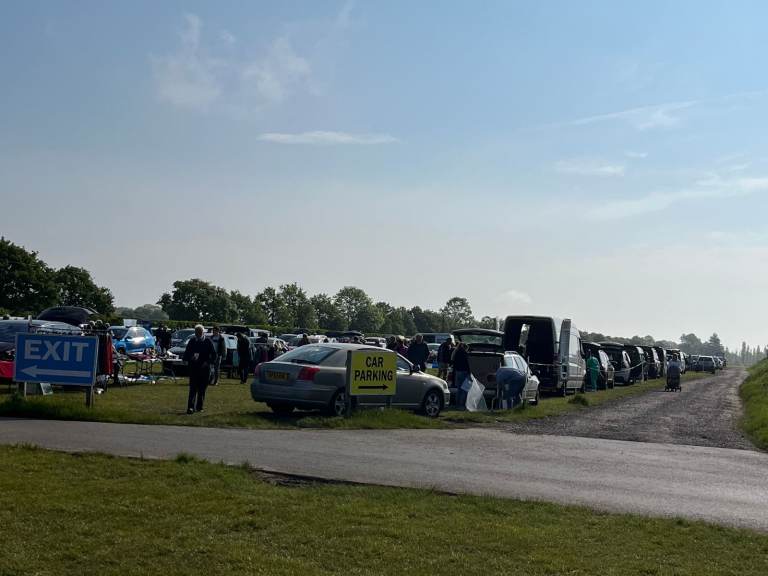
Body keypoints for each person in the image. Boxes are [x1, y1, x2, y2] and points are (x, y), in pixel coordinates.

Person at [183, 324, 216, 414]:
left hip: (205, 369)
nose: (197, 334)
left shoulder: (208, 342)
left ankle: (199, 407)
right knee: (193, 389)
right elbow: (186, 354)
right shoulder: (192, 341)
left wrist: (207, 362)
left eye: (199, 332)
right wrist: (190, 358)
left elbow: (214, 355)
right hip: (194, 368)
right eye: (196, 332)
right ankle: (190, 407)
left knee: (202, 390)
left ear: (202, 332)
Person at [452, 341, 471, 408]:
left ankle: (457, 404)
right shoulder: (465, 354)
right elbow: (467, 364)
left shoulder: (456, 353)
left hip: (457, 372)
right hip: (465, 372)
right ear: (465, 348)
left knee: (459, 389)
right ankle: (462, 404)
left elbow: (453, 362)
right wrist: (470, 372)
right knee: (465, 389)